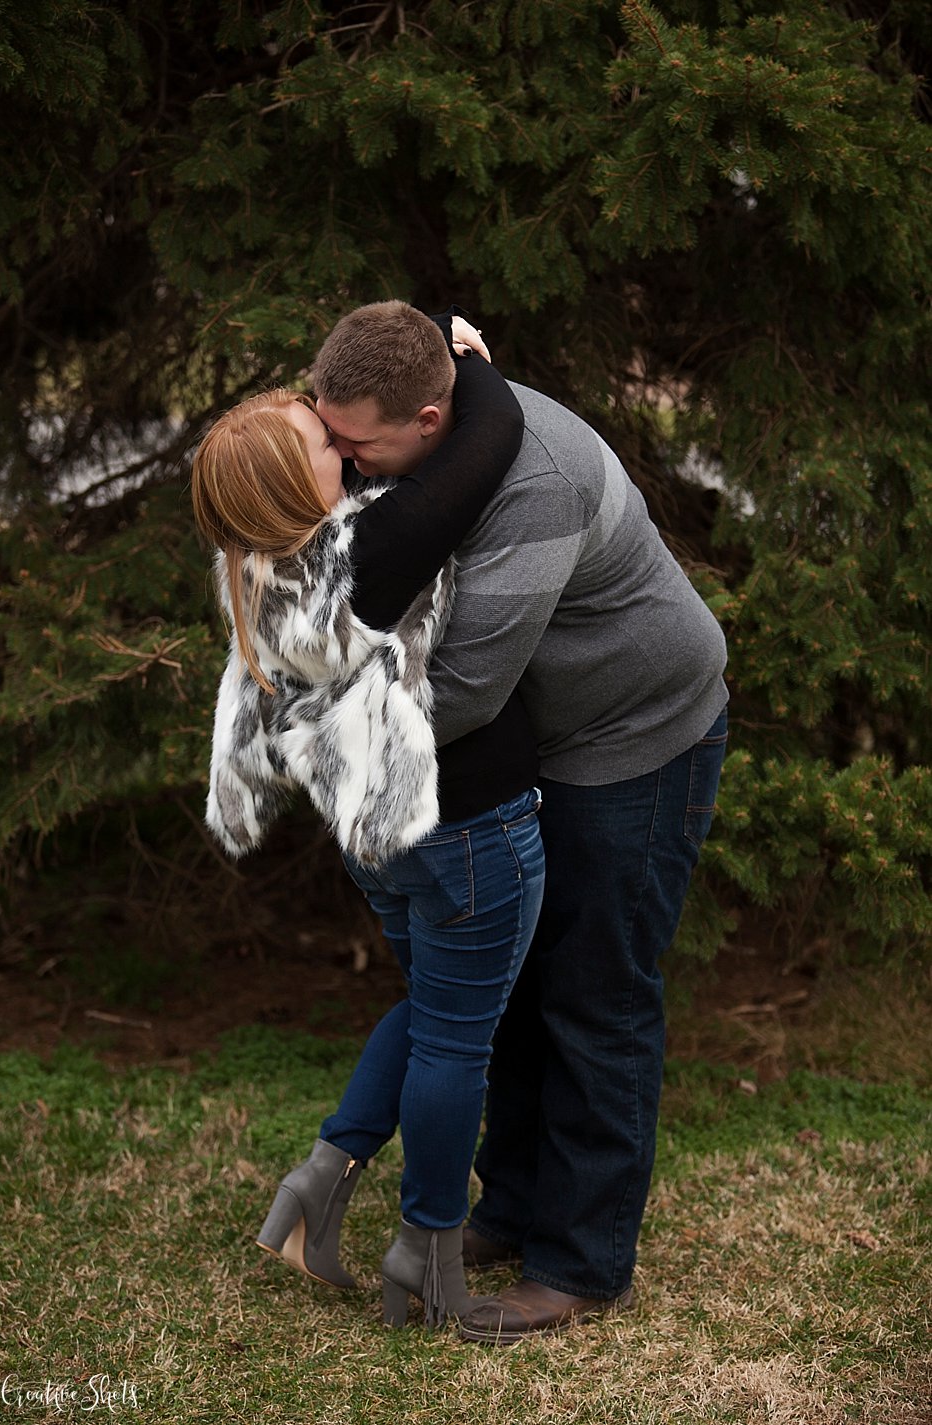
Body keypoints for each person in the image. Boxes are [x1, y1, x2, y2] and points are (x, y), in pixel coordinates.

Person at [312, 301, 729, 1344]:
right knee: (517, 982)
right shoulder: (430, 425)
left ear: (427, 419)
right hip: (552, 731)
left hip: (636, 732)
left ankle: (580, 1262)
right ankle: (513, 1206)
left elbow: (461, 693)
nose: (343, 465)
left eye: (357, 447)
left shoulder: (534, 483)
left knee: (595, 994)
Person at [191, 313, 545, 1330]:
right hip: (470, 829)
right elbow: (489, 436)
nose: (342, 448)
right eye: (323, 445)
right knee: (456, 1042)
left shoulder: (258, 563)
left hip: (375, 835)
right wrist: (465, 358)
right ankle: (427, 1251)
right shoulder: (368, 551)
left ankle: (323, 1177)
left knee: (435, 1008)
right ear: (294, 492)